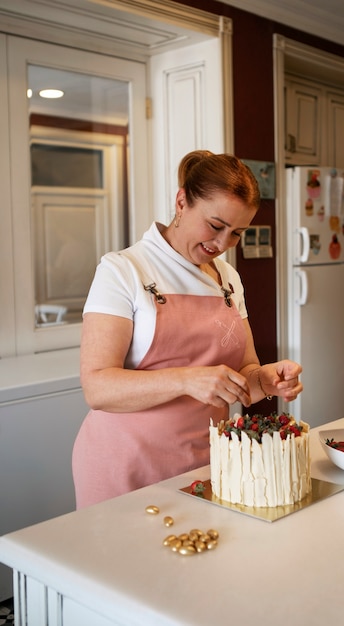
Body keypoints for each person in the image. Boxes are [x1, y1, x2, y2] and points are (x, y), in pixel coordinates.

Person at [72, 150, 303, 509]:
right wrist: (186, 380)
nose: (222, 243)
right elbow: (97, 387)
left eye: (237, 233)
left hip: (207, 461)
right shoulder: (123, 270)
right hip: (127, 464)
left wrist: (267, 381)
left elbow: (245, 376)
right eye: (215, 225)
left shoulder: (228, 279)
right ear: (182, 202)